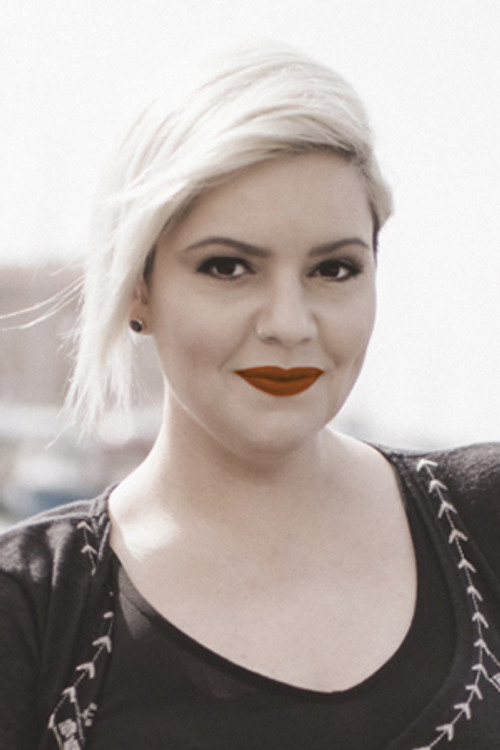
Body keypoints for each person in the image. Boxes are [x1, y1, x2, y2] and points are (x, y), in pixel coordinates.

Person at [1, 43, 500, 750]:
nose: (289, 324)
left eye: (334, 269)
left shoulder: (484, 520)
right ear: (138, 288)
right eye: (228, 267)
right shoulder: (35, 607)